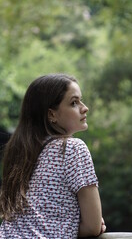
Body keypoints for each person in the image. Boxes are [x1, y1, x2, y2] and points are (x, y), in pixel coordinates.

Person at [0, 73, 106, 238]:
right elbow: (93, 227)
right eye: (74, 102)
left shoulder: (20, 154)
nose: (84, 108)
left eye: (81, 100)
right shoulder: (72, 148)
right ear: (51, 115)